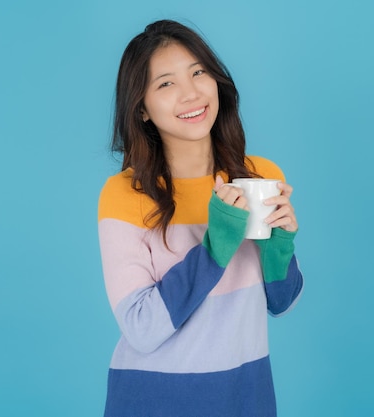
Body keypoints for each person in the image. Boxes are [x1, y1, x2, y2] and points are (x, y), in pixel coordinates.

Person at [97, 19, 303, 417]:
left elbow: (281, 302)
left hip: (246, 399)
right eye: (166, 84)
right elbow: (140, 328)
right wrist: (215, 246)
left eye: (198, 73)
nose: (190, 93)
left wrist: (280, 247)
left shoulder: (259, 177)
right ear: (141, 109)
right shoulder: (125, 195)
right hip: (153, 401)